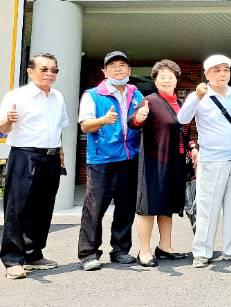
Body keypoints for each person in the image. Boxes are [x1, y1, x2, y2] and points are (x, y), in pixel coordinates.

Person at [0, 53, 68, 279]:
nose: (49, 74)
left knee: (43, 207)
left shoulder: (58, 97)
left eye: (53, 70)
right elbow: (2, 129)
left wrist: (60, 152)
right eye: (44, 69)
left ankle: (33, 254)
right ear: (30, 71)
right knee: (17, 208)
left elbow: (60, 127)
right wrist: (8, 120)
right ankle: (12, 260)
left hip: (51, 157)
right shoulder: (17, 96)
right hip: (24, 155)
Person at [177, 54, 231, 268]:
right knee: (208, 206)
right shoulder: (199, 96)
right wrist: (196, 98)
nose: (222, 74)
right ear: (207, 74)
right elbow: (182, 119)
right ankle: (202, 252)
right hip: (211, 161)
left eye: (225, 70)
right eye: (216, 70)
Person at [77, 51, 142, 271]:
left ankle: (121, 250)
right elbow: (85, 126)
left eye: (122, 65)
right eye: (112, 66)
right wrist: (103, 120)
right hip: (101, 160)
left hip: (129, 158)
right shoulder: (93, 95)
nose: (118, 69)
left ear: (129, 71)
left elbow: (139, 122)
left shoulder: (136, 94)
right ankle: (88, 253)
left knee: (126, 207)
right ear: (104, 71)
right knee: (94, 208)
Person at [129, 60, 190, 267]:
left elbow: (185, 131)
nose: (166, 79)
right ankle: (144, 251)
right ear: (155, 80)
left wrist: (192, 145)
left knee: (167, 205)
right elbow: (134, 122)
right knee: (148, 206)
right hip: (154, 162)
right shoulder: (149, 101)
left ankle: (165, 246)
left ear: (176, 80)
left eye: (170, 76)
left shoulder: (180, 104)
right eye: (161, 76)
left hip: (175, 162)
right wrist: (139, 117)